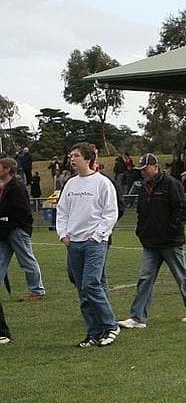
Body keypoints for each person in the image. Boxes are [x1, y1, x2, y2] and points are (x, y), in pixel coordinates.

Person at [117, 153, 186, 329]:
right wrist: (141, 231)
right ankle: (137, 317)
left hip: (170, 241)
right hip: (150, 242)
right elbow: (141, 212)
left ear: (155, 166)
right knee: (145, 278)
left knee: (181, 275)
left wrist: (173, 230)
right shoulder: (143, 188)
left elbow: (181, 208)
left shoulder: (171, 184)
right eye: (141, 169)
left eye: (145, 168)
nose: (143, 172)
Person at [56, 142, 120, 348]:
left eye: (76, 155)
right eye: (70, 155)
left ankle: (110, 325)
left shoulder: (102, 183)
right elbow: (62, 211)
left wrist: (98, 236)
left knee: (91, 283)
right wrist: (63, 235)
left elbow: (110, 213)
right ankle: (93, 332)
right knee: (82, 290)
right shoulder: (71, 184)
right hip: (74, 243)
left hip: (94, 243)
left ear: (88, 158)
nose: (71, 158)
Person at [0, 157, 44, 301]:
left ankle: (37, 290)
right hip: (5, 230)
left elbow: (23, 211)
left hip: (17, 230)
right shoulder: (4, 187)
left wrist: (13, 225)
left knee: (26, 260)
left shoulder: (16, 187)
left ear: (7, 169)